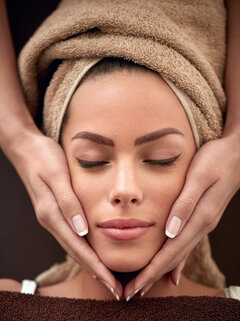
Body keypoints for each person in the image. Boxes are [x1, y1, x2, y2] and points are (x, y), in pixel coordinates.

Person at [0, 0, 239, 301]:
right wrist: (17, 138)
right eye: (92, 160)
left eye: (161, 158)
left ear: (204, 154)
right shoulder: (10, 311)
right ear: (56, 159)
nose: (125, 190)